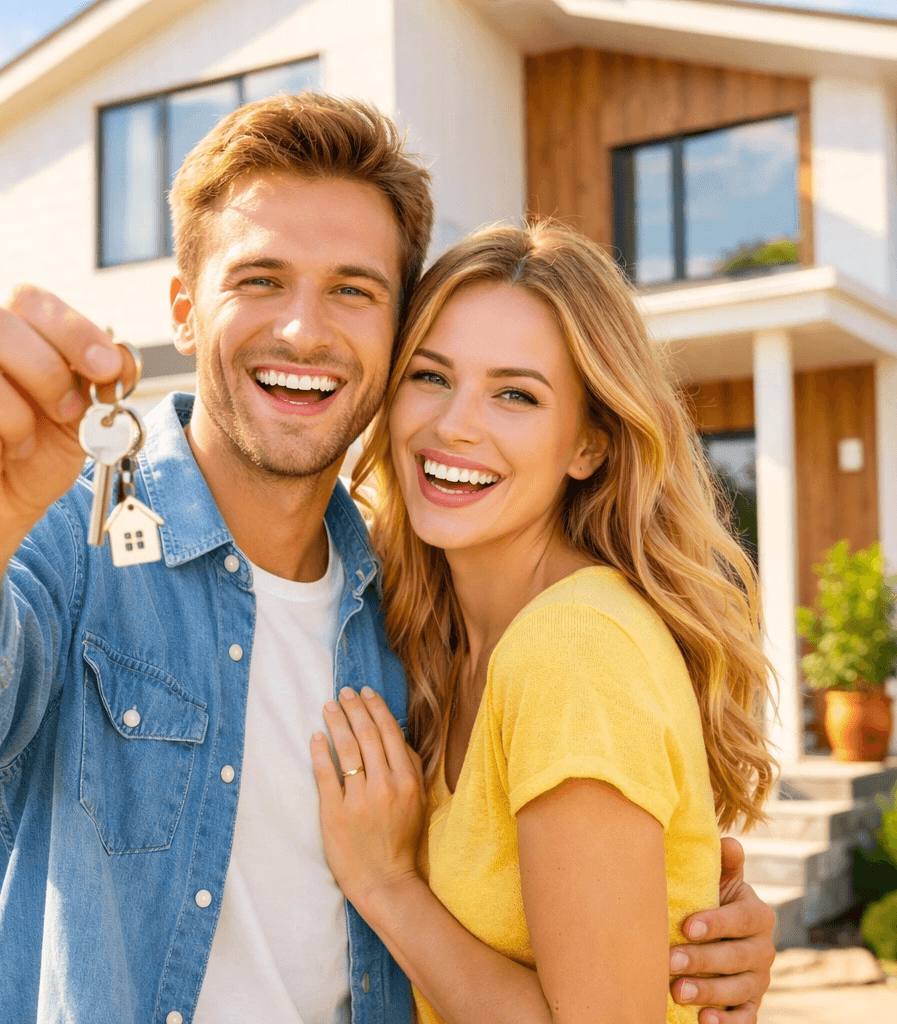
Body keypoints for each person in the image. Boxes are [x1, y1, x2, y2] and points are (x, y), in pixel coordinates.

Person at [0, 94, 772, 1023]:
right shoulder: (71, 532)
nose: (304, 330)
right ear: (185, 308)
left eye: (352, 289)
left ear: (391, 332)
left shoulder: (407, 606)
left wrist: (683, 936)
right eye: (260, 278)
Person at [310, 222, 777, 1024]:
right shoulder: (439, 634)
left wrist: (386, 885)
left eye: (516, 394)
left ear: (589, 444)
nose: (454, 425)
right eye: (430, 375)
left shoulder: (571, 649)